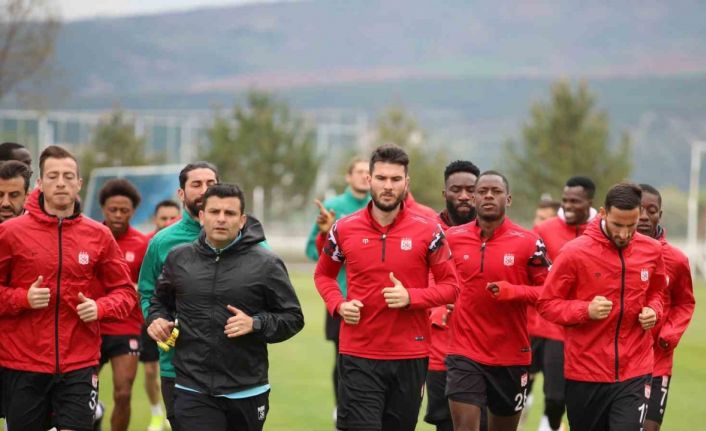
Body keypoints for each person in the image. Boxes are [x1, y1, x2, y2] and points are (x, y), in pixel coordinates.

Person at [314, 144, 460, 431]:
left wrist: (411, 297)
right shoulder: (344, 228)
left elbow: (451, 287)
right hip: (358, 354)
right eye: (381, 178)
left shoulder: (429, 230)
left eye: (395, 179)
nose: (388, 186)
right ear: (369, 180)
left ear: (407, 182)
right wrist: (338, 305)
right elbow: (323, 275)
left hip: (410, 355)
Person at [0, 145, 137, 431]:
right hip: (23, 364)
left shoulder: (99, 235)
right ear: (40, 184)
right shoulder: (11, 232)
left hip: (79, 364)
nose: (61, 183)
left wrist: (100, 307)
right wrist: (23, 298)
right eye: (53, 176)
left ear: (79, 183)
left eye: (68, 176)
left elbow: (126, 292)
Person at [147, 183, 304, 430]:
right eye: (214, 212)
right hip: (193, 387)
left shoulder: (267, 264)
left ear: (242, 220)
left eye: (229, 213)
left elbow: (293, 317)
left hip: (248, 389)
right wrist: (156, 319)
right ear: (202, 216)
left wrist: (255, 323)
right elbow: (159, 301)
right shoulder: (179, 258)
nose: (221, 219)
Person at [537, 182, 666, 431]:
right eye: (618, 225)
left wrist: (654, 310)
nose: (624, 234)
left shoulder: (652, 250)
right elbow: (547, 304)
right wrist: (585, 310)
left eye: (631, 225)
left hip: (635, 370)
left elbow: (657, 292)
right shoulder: (574, 253)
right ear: (603, 213)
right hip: (584, 373)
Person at [445, 170, 551, 431]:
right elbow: (433, 276)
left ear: (509, 199)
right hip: (464, 351)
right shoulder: (452, 238)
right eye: (482, 191)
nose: (489, 196)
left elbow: (550, 292)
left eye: (496, 191)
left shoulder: (529, 242)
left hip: (511, 355)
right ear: (473, 198)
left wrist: (513, 291)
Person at [138, 161, 219, 431]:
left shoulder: (244, 238)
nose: (204, 190)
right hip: (178, 367)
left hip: (234, 368)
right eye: (196, 184)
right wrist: (155, 320)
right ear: (181, 194)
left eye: (211, 184)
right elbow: (147, 292)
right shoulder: (162, 242)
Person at [529, 176, 597, 431]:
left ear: (589, 201)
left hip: (587, 329)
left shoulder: (601, 230)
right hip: (546, 326)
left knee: (568, 399)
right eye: (565, 200)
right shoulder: (544, 230)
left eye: (575, 201)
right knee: (539, 394)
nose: (568, 206)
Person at [305, 157, 370, 422]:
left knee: (374, 360)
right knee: (344, 358)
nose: (365, 176)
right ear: (348, 176)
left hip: (374, 299)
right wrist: (327, 235)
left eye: (369, 172)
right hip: (340, 298)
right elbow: (313, 251)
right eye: (360, 171)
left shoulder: (380, 207)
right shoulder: (333, 207)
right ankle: (341, 408)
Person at [425, 160, 480, 431]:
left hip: (487, 353)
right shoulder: (426, 231)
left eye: (471, 190)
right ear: (444, 193)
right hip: (440, 353)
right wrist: (437, 303)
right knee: (447, 424)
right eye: (456, 189)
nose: (464, 196)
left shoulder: (497, 234)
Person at [636, 184, 695, 431]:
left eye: (651, 211)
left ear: (659, 215)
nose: (644, 216)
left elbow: (685, 302)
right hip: (620, 360)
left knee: (650, 428)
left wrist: (668, 336)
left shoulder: (677, 260)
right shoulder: (616, 254)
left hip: (657, 361)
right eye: (638, 209)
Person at [95, 179, 149, 431]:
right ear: (103, 209)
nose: (118, 215)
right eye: (112, 209)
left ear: (133, 211)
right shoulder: (89, 236)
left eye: (124, 210)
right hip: (90, 326)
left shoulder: (142, 244)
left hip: (126, 326)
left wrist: (139, 290)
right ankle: (94, 415)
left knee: (124, 393)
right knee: (78, 394)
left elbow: (151, 286)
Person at [142, 200, 181, 431]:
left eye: (172, 218)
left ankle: (167, 413)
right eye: (163, 218)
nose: (167, 222)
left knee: (172, 367)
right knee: (150, 370)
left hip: (176, 321)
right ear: (155, 219)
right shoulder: (149, 243)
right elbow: (142, 286)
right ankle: (156, 412)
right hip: (151, 317)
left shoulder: (187, 241)